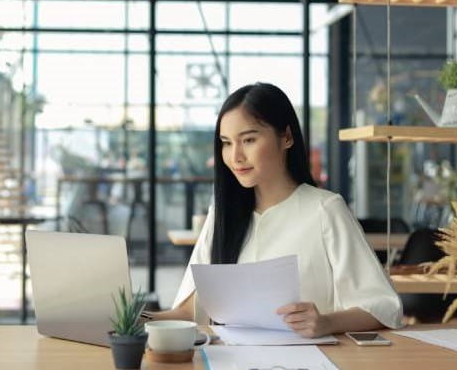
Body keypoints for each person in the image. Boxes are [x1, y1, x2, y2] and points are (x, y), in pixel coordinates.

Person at [147, 82, 402, 337]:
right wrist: (128, 318)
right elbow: (189, 312)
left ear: (287, 137)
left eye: (248, 140)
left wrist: (326, 322)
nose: (235, 156)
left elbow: (383, 307)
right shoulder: (222, 216)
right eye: (226, 143)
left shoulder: (325, 210)